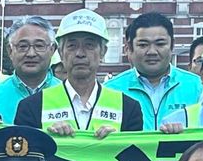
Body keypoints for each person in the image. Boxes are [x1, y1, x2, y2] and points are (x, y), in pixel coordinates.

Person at [14, 9, 141, 138]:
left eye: (89, 45)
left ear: (103, 52)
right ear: (61, 52)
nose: (80, 53)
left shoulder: (128, 108)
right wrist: (48, 138)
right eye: (72, 45)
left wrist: (117, 142)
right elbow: (25, 154)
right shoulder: (31, 107)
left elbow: (138, 155)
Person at [105, 13, 203, 129]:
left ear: (172, 46)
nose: (152, 51)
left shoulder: (197, 86)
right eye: (143, 45)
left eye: (160, 44)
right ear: (130, 49)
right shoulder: (110, 90)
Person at [0, 16, 61, 123]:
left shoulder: (68, 95)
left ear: (52, 50)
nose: (31, 54)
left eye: (39, 46)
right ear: (10, 51)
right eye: (23, 46)